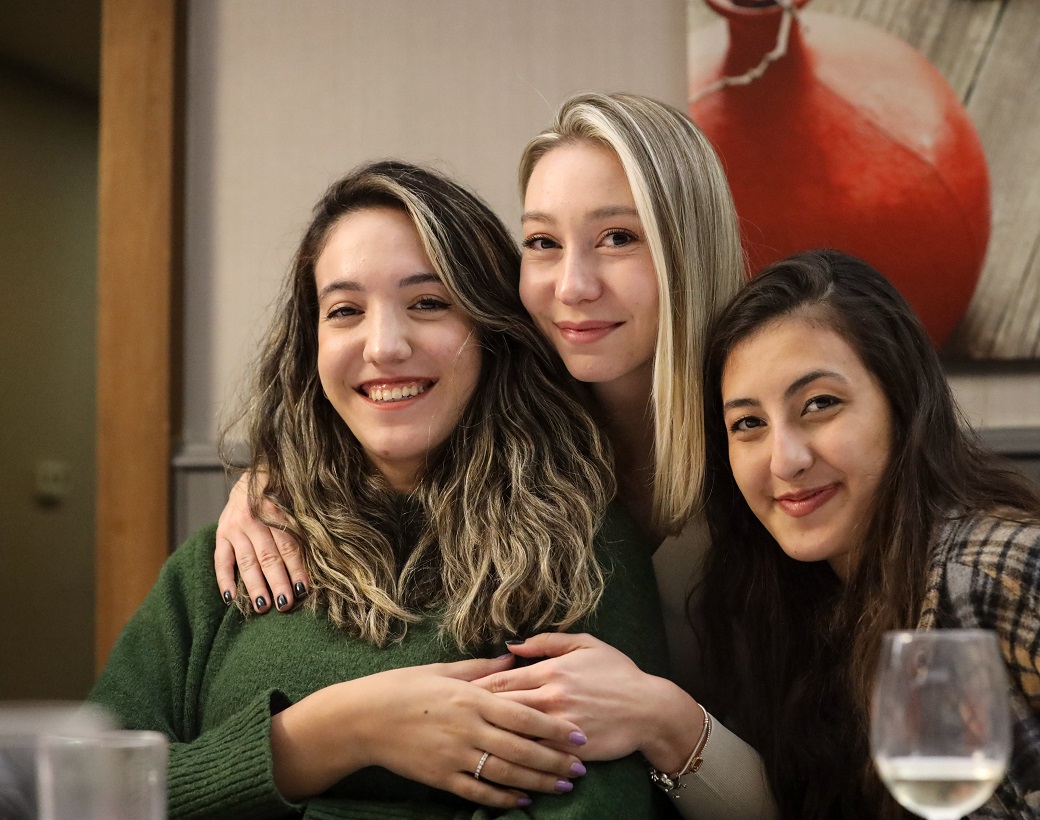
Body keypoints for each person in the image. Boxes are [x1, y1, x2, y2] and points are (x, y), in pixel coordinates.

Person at [209, 93, 779, 819]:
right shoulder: (522, 429)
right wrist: (271, 480)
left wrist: (665, 719)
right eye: (542, 243)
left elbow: (834, 789)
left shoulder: (770, 459)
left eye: (617, 238)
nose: (572, 285)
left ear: (687, 251)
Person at [89, 160, 672, 819]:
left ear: (491, 331)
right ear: (310, 344)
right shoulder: (227, 558)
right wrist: (330, 734)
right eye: (345, 311)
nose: (384, 346)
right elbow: (85, 792)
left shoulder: (580, 545)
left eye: (428, 303)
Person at [698, 248, 1040, 818]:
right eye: (748, 424)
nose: (785, 460)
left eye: (819, 404)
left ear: (902, 405)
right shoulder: (803, 616)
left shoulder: (1020, 578)